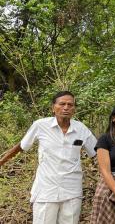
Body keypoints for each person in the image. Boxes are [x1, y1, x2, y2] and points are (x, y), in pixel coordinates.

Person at [0, 91, 97, 224]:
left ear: (74, 109)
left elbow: (97, 153)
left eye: (70, 105)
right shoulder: (40, 125)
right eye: (62, 104)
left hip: (72, 190)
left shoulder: (81, 129)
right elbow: (21, 146)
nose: (66, 107)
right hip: (46, 190)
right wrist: (2, 161)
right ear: (53, 107)